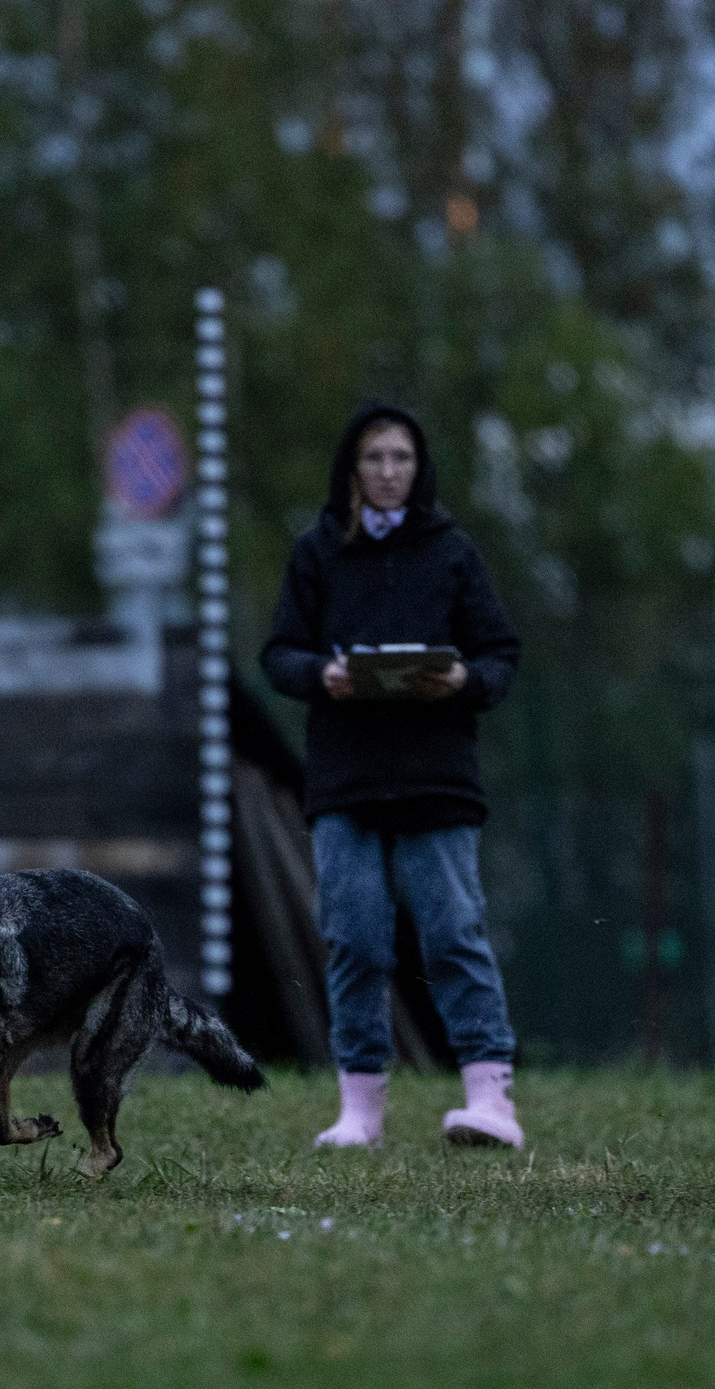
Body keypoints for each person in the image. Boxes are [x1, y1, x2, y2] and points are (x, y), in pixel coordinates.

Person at [260, 402, 526, 1148]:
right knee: (355, 938)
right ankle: (361, 1112)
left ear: (420, 467)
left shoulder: (453, 555)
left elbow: (501, 656)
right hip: (346, 778)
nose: (387, 472)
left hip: (437, 776)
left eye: (400, 458)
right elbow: (278, 654)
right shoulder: (316, 553)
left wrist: (462, 679)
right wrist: (324, 674)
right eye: (374, 458)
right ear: (352, 467)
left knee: (453, 931)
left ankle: (491, 1099)